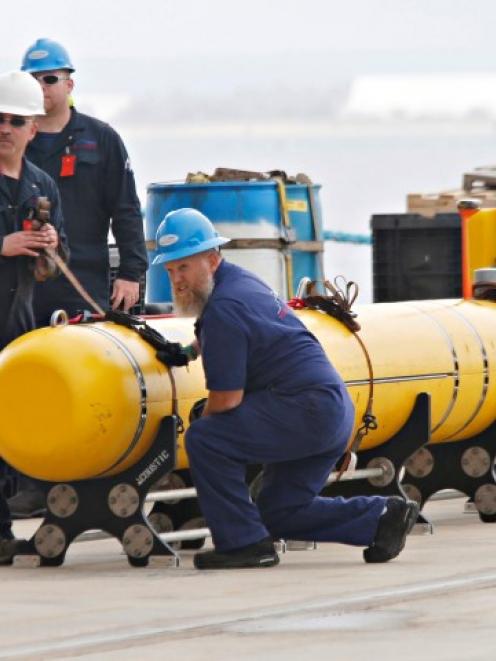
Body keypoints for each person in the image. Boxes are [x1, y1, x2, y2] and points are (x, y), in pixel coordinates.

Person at [151, 208, 419, 570]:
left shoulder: (224, 308)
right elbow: (223, 329)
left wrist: (215, 432)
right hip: (329, 411)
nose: (176, 279)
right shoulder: (242, 282)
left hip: (303, 412)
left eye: (184, 267)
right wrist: (187, 352)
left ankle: (244, 544)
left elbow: (227, 400)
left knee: (205, 436)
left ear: (212, 259)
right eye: (170, 270)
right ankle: (382, 515)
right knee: (278, 511)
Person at [7, 38, 148, 518]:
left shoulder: (99, 139)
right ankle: (29, 482)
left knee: (84, 382)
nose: (42, 89)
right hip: (22, 286)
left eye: (50, 79)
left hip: (82, 278)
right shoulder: (16, 149)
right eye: (33, 81)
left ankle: (86, 471)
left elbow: (126, 210)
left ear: (69, 83)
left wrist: (131, 274)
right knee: (27, 384)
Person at [0, 70, 67, 563]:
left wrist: (50, 246)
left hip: (16, 321)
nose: (4, 128)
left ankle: (2, 532)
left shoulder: (41, 185)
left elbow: (53, 262)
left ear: (33, 129)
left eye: (15, 121)